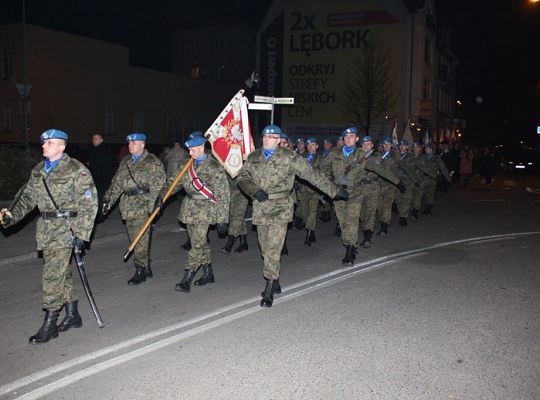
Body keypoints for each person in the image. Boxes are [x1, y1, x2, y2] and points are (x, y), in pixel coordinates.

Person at [0, 129, 98, 344]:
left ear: (61, 147)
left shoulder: (75, 169)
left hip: (66, 228)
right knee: (62, 273)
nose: (44, 146)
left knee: (52, 275)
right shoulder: (38, 170)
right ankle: (73, 315)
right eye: (44, 143)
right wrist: (11, 216)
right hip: (46, 229)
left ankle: (50, 323)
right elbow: (26, 197)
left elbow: (89, 203)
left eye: (50, 143)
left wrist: (82, 234)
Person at [237, 125, 346, 307]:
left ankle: (270, 286)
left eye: (271, 137)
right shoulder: (254, 157)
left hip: (281, 207)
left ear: (279, 140)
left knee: (273, 248)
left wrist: (333, 191)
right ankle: (276, 278)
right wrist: (254, 191)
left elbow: (311, 174)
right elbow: (242, 177)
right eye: (264, 136)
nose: (266, 139)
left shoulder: (289, 157)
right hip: (261, 207)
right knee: (264, 248)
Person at [157, 133, 230, 293]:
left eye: (193, 150)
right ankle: (208, 273)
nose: (190, 153)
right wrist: (162, 196)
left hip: (206, 210)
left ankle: (187, 278)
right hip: (189, 208)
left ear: (202, 147)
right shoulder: (186, 164)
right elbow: (173, 183)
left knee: (196, 245)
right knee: (200, 242)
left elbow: (223, 194)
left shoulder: (213, 166)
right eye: (189, 150)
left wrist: (223, 219)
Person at [321, 128, 403, 265]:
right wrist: (329, 186)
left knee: (352, 221)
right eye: (346, 136)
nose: (348, 139)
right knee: (343, 223)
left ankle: (349, 250)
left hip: (355, 193)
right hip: (337, 193)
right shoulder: (334, 152)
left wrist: (397, 181)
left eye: (351, 136)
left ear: (356, 139)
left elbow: (379, 169)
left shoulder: (362, 155)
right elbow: (323, 169)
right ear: (342, 139)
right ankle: (349, 243)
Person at [102, 133, 166, 285]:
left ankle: (140, 270)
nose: (130, 145)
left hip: (144, 204)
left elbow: (159, 185)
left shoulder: (152, 161)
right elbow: (116, 183)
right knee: (135, 238)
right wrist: (107, 201)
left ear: (142, 145)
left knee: (140, 239)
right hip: (128, 205)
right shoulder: (125, 161)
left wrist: (154, 206)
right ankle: (146, 265)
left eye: (134, 143)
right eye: (129, 143)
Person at [358, 136, 401, 248]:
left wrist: (397, 182)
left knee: (371, 212)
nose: (366, 146)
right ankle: (366, 229)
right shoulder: (356, 156)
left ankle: (368, 237)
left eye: (369, 144)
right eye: (364, 144)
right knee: (362, 213)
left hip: (373, 187)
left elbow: (381, 169)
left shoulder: (378, 157)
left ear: (372, 146)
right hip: (359, 188)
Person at [87, 133, 113, 222]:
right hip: (94, 180)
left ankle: (101, 216)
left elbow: (107, 167)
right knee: (95, 199)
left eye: (96, 139)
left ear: (101, 140)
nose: (94, 140)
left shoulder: (105, 151)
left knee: (101, 199)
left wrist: (106, 180)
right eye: (93, 139)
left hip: (102, 180)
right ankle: (98, 215)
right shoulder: (93, 150)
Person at [376, 136, 399, 236]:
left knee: (386, 206)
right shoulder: (377, 155)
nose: (386, 146)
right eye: (384, 144)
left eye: (388, 144)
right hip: (379, 185)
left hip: (390, 185)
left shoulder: (394, 156)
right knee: (379, 207)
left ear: (391, 145)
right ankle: (383, 223)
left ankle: (384, 226)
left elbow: (393, 170)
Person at [221, 174, 249, 255]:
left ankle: (229, 244)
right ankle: (243, 242)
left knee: (237, 216)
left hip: (242, 190)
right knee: (236, 215)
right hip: (229, 188)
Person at [393, 140, 418, 227]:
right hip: (397, 182)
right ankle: (402, 214)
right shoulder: (396, 156)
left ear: (407, 147)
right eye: (400, 146)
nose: (402, 147)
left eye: (404, 146)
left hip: (408, 182)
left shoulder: (411, 157)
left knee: (406, 200)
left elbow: (410, 168)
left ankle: (403, 217)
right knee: (398, 200)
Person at [422, 143, 451, 214]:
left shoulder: (436, 158)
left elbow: (443, 168)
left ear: (432, 150)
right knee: (424, 194)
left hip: (433, 179)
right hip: (423, 179)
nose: (427, 150)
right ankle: (426, 205)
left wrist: (448, 178)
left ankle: (428, 208)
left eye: (429, 149)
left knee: (430, 194)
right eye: (426, 149)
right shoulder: (422, 157)